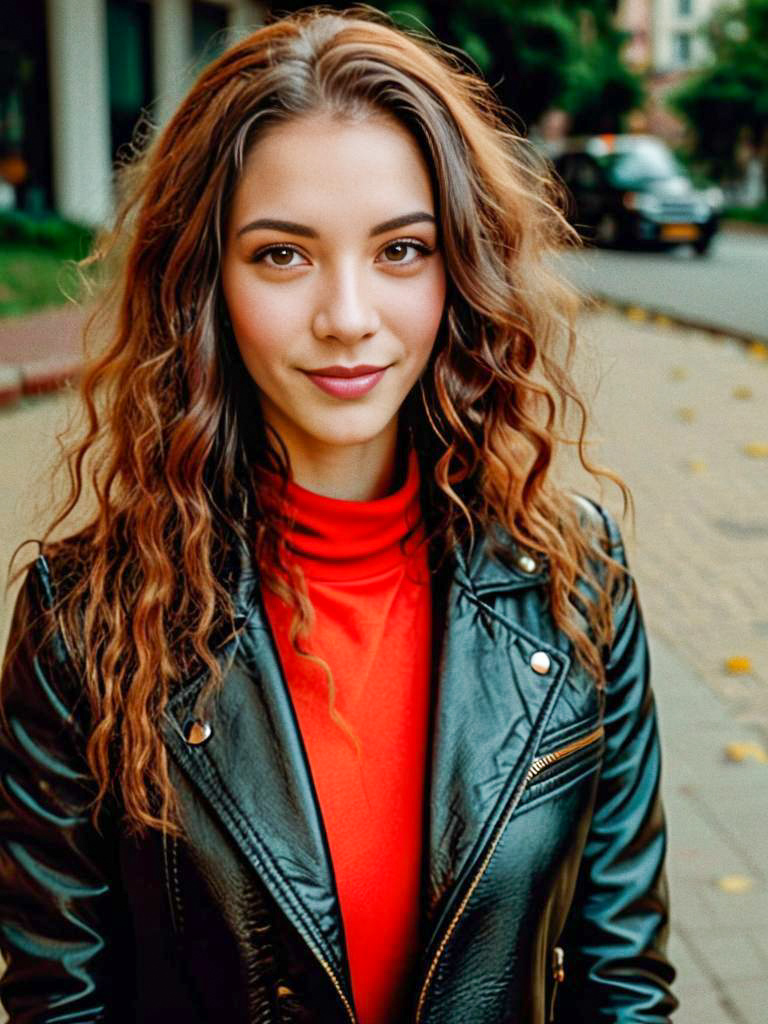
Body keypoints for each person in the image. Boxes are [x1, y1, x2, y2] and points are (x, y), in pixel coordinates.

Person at [0, 7, 677, 1023]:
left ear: (462, 267)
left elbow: (623, 982)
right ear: (204, 283)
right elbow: (60, 1003)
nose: (348, 315)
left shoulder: (578, 579)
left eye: (402, 250)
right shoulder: (84, 619)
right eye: (283, 255)